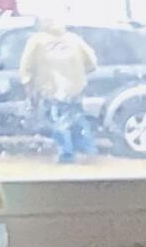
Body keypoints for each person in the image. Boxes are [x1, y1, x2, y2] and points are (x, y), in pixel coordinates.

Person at [20, 17, 99, 162]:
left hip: (50, 90)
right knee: (76, 119)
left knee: (58, 122)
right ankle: (90, 154)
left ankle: (67, 156)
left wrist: (29, 89)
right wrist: (78, 75)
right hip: (75, 90)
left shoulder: (36, 41)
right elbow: (93, 63)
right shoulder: (74, 39)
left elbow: (26, 69)